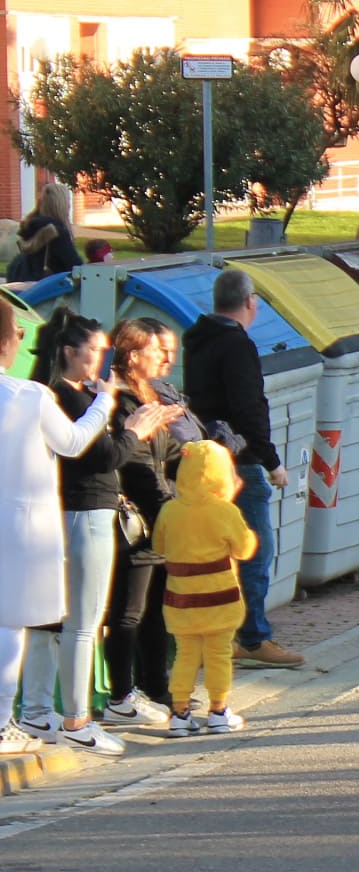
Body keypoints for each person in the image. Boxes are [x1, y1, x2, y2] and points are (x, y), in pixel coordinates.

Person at [18, 311, 152, 755]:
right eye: (93, 350)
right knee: (82, 622)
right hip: (86, 511)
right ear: (69, 352)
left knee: (52, 621)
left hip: (69, 513)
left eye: (103, 350)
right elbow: (102, 457)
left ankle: (37, 711)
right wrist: (133, 428)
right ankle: (77, 718)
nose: (100, 359)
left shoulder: (62, 394)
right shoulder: (71, 397)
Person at [0, 298, 117, 756]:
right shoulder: (28, 397)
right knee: (11, 628)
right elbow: (71, 442)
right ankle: (3, 721)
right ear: (9, 342)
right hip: (22, 532)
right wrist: (105, 401)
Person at [183, 269, 304, 668]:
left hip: (207, 458)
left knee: (217, 552)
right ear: (250, 301)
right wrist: (272, 462)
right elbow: (248, 407)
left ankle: (222, 633)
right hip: (241, 461)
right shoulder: (237, 346)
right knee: (254, 547)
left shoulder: (198, 340)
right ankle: (253, 637)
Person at [101, 319, 193, 730]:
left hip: (159, 515)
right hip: (135, 519)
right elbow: (137, 466)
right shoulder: (120, 401)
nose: (167, 359)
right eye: (159, 351)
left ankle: (155, 687)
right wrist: (169, 507)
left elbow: (169, 452)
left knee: (155, 609)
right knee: (129, 610)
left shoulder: (151, 396)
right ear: (134, 355)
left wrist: (197, 452)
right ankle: (121, 694)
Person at [151, 439, 260, 737]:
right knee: (218, 654)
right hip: (220, 597)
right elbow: (245, 549)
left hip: (180, 597)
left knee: (185, 653)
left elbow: (159, 546)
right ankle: (218, 711)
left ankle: (180, 713)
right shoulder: (224, 511)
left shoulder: (170, 511)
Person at [13, 181, 81, 280]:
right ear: (62, 204)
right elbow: (75, 266)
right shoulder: (57, 232)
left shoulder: (30, 227)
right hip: (50, 288)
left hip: (27, 285)